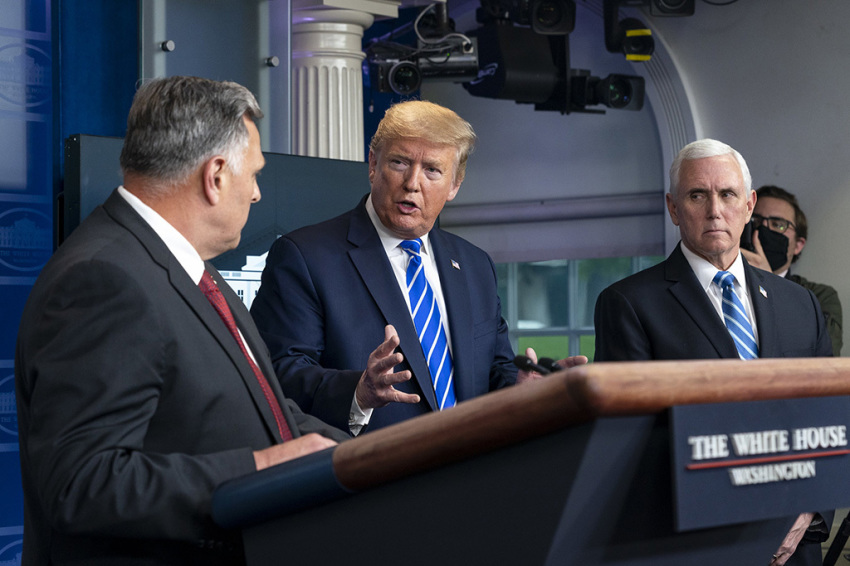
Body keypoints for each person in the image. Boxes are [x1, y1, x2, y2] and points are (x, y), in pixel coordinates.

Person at [15, 76, 349, 565]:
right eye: (254, 174)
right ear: (215, 175)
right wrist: (257, 468)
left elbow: (266, 415)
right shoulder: (104, 278)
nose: (257, 194)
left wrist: (381, 456)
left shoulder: (189, 269)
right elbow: (81, 483)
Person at [250, 100, 586, 435]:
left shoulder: (474, 264)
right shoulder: (305, 256)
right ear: (372, 164)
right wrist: (358, 392)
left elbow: (493, 369)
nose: (412, 183)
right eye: (399, 162)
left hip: (472, 470)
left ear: (455, 185)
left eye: (432, 170)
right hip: (372, 474)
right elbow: (280, 372)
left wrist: (523, 389)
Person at [593, 139, 832, 566]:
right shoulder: (628, 303)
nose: (714, 209)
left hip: (796, 546)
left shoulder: (801, 304)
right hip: (695, 547)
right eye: (697, 195)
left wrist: (809, 509)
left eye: (727, 194)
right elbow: (632, 445)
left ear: (748, 204)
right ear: (673, 207)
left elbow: (829, 418)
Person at [741, 184, 842, 355]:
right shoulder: (725, 284)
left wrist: (768, 283)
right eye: (756, 221)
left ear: (798, 245)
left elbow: (823, 360)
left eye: (778, 225)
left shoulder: (819, 297)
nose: (764, 229)